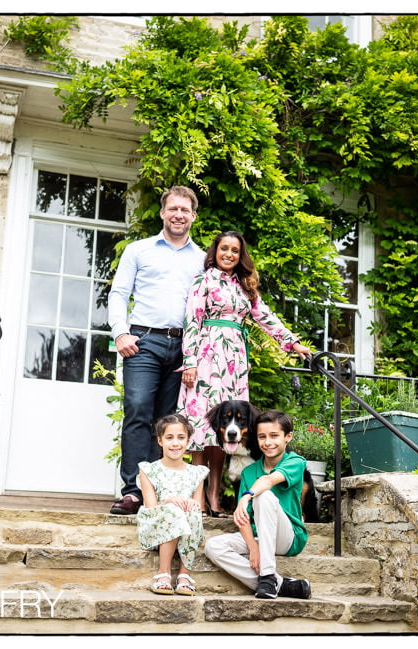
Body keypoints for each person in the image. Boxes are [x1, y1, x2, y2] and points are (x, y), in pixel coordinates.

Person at [178, 231, 311, 516]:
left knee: (226, 432)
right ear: (215, 252)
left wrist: (292, 342)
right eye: (224, 248)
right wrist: (189, 361)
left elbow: (265, 317)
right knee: (203, 430)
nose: (229, 254)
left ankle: (215, 498)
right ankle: (198, 498)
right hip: (206, 356)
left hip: (235, 362)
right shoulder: (203, 281)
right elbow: (192, 320)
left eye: (235, 250)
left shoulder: (244, 286)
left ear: (241, 256)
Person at [107, 186, 205, 515]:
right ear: (163, 213)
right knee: (137, 409)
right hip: (142, 342)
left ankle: (158, 491)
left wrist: (196, 354)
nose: (178, 214)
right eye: (172, 209)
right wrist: (121, 332)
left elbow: (204, 309)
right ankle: (134, 491)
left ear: (193, 216)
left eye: (185, 210)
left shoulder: (201, 259)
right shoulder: (139, 250)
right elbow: (119, 294)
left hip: (182, 346)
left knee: (166, 422)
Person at [204, 409, 312, 599]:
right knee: (213, 546)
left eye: (274, 436)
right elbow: (243, 518)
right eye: (262, 437)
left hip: (288, 537)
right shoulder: (249, 472)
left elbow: (268, 481)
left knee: (264, 495)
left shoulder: (295, 462)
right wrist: (253, 548)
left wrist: (247, 496)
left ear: (288, 437)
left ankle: (268, 574)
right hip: (259, 536)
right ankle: (279, 584)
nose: (267, 442)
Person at [136, 414, 209, 595]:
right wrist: (169, 502)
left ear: (188, 441)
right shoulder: (149, 470)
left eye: (181, 438)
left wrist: (190, 504)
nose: (175, 443)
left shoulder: (196, 473)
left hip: (187, 529)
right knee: (173, 510)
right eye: (169, 438)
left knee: (192, 511)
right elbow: (151, 509)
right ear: (160, 441)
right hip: (156, 526)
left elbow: (197, 505)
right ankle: (163, 573)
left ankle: (185, 575)